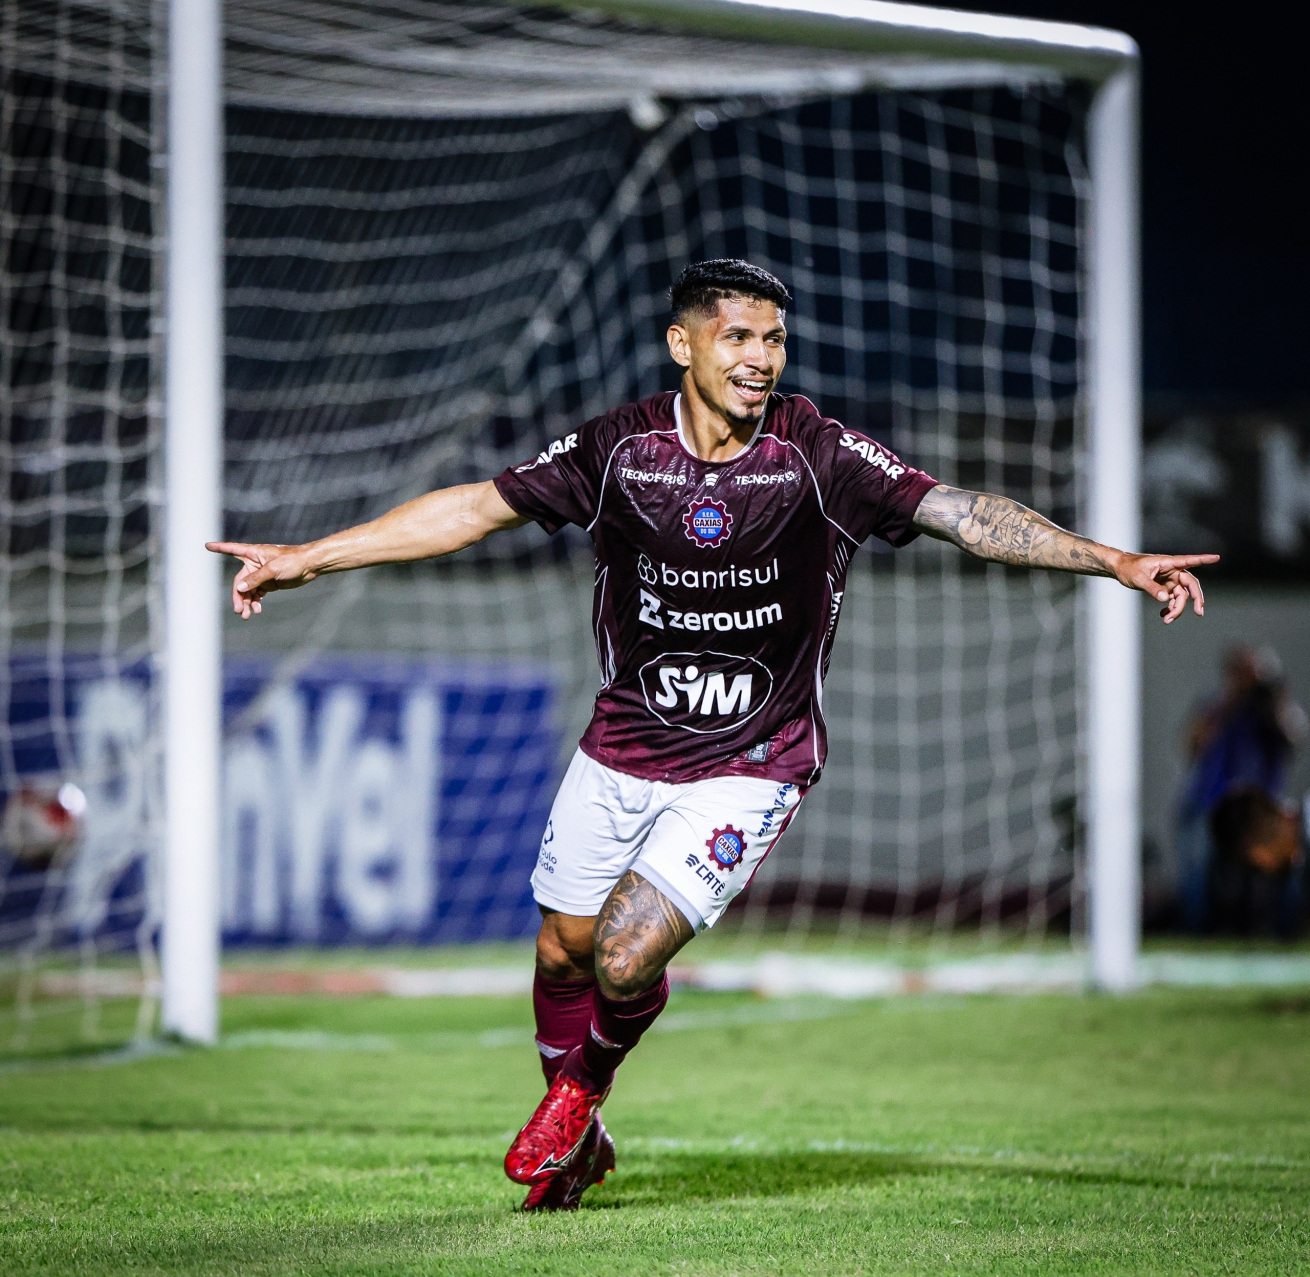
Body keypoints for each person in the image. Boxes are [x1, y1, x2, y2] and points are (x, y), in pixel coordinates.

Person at [208, 258, 1218, 1210]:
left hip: (751, 761)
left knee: (623, 952)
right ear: (681, 344)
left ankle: (579, 1094)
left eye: (773, 339)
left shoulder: (817, 455)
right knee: (562, 952)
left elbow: (963, 513)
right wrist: (308, 558)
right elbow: (475, 509)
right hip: (621, 747)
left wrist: (1112, 560)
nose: (759, 358)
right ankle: (578, 1134)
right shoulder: (619, 451)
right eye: (737, 336)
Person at [1176, 646, 1306, 934]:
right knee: (1198, 869)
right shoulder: (1217, 705)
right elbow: (1192, 745)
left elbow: (1294, 739)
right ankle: (1197, 931)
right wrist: (1231, 702)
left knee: (1286, 865)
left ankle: (1283, 930)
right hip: (1212, 803)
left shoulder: (1274, 708)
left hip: (1261, 809)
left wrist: (1273, 699)